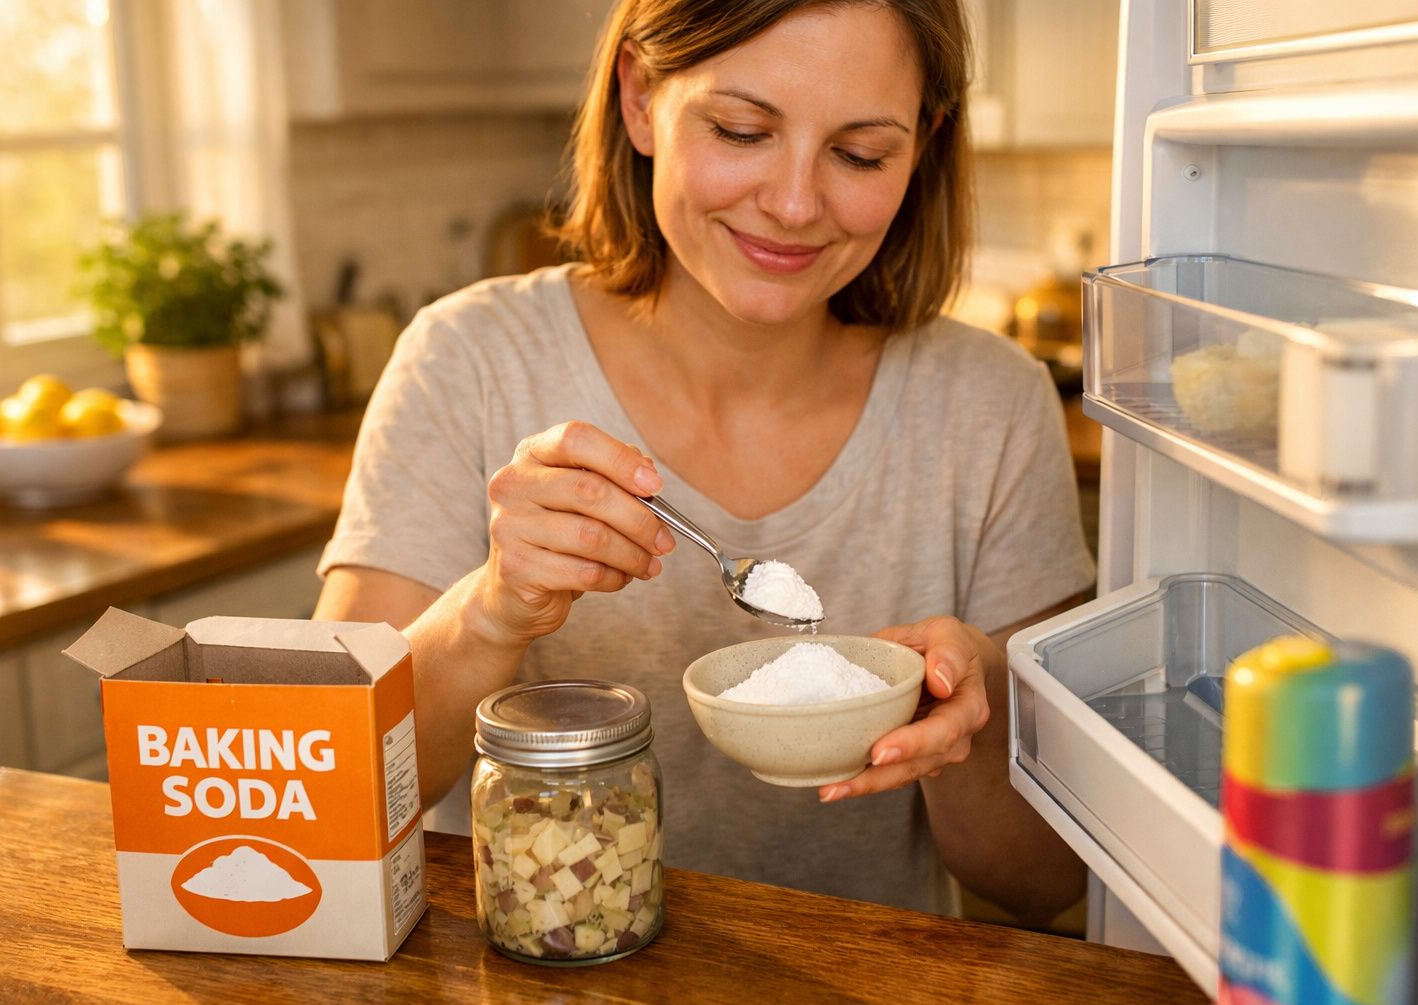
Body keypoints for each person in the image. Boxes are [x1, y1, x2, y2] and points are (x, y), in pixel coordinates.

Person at [314, 0, 1095, 927]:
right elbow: (335, 799)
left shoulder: (991, 406)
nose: (796, 204)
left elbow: (1047, 883)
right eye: (741, 130)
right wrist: (490, 615)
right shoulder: (469, 361)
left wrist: (976, 709)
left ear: (921, 146)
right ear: (642, 98)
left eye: (860, 154)